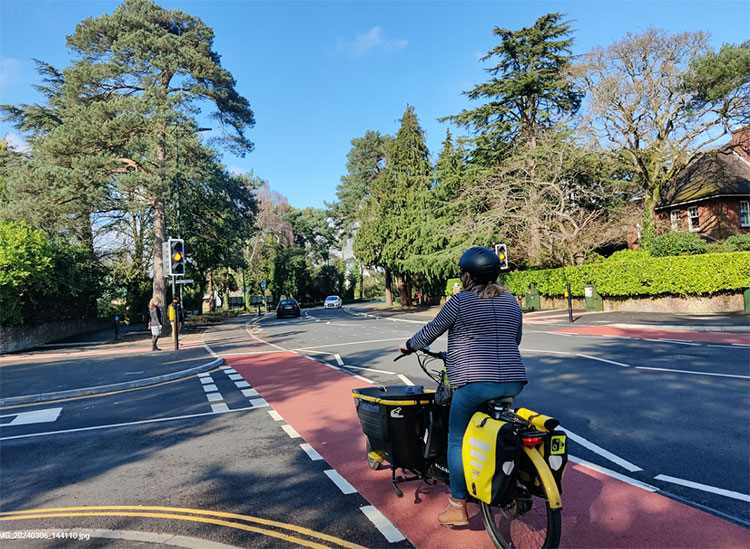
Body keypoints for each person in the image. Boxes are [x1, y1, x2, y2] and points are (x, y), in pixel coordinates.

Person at [399, 246, 527, 527]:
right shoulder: (511, 303)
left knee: (455, 439)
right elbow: (514, 340)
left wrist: (409, 346)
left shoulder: (460, 302)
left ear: (467, 276)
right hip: (514, 381)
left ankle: (458, 505)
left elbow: (431, 331)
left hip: (474, 383)